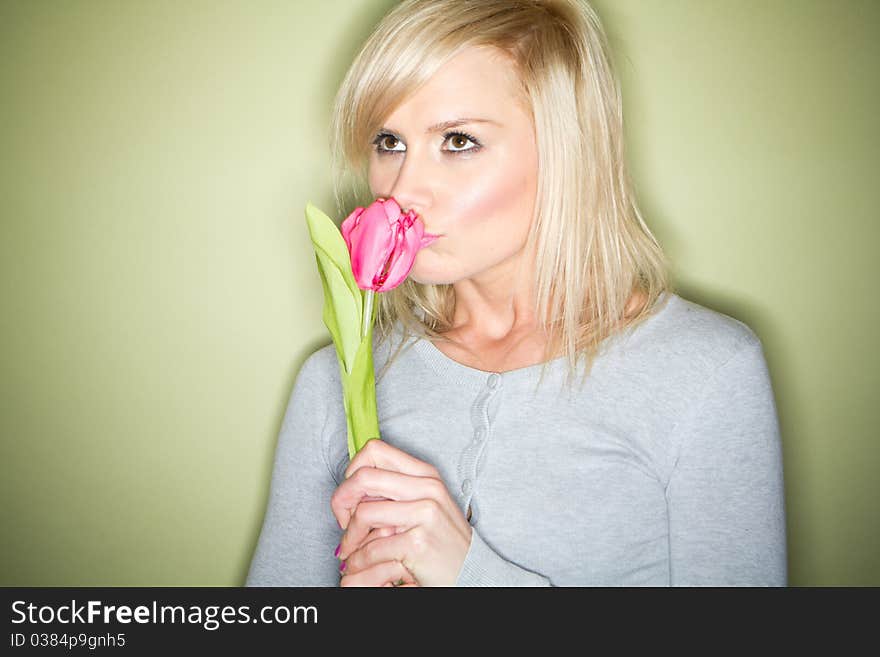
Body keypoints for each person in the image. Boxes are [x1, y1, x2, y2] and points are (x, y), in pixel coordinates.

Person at [246, 0, 787, 587]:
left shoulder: (704, 372)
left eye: (457, 140)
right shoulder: (336, 380)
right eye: (388, 141)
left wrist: (469, 575)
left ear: (566, 150)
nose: (402, 191)